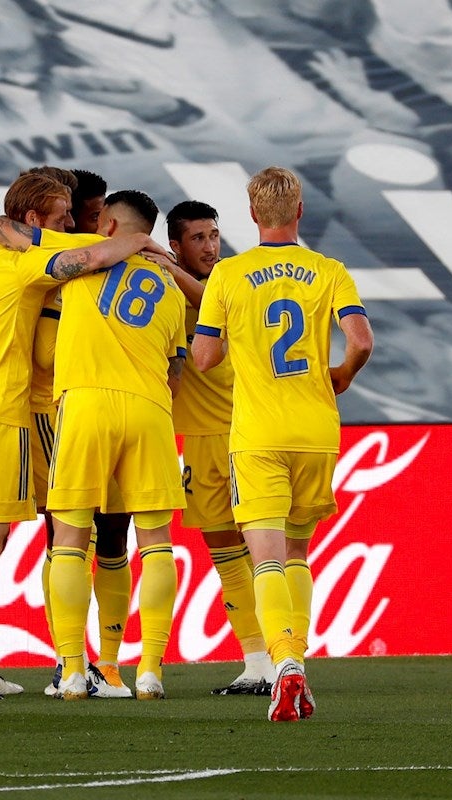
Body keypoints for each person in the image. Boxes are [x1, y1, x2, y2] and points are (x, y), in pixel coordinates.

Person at [0, 172, 165, 698]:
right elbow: (85, 261)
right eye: (62, 214)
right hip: (4, 415)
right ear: (34, 221)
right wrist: (133, 240)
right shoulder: (28, 268)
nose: (71, 223)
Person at [192, 166, 374, 722]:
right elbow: (362, 340)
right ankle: (297, 665)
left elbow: (204, 358)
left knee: (264, 558)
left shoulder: (229, 274)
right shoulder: (329, 270)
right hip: (317, 430)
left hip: (259, 434)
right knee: (298, 552)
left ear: (252, 216)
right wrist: (340, 374)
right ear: (300, 213)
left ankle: (286, 667)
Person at [43, 186, 187, 701]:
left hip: (86, 403)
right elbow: (176, 366)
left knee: (70, 540)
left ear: (107, 225)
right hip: (150, 409)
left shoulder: (83, 266)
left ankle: (75, 670)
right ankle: (148, 669)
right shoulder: (170, 288)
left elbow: (56, 264)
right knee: (155, 544)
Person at [164, 199, 276, 695]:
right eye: (198, 238)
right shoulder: (163, 290)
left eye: (214, 234)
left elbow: (210, 302)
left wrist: (165, 266)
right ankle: (258, 662)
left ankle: (283, 656)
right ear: (177, 245)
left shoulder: (229, 280)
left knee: (264, 553)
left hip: (243, 436)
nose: (211, 246)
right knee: (225, 553)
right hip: (202, 442)